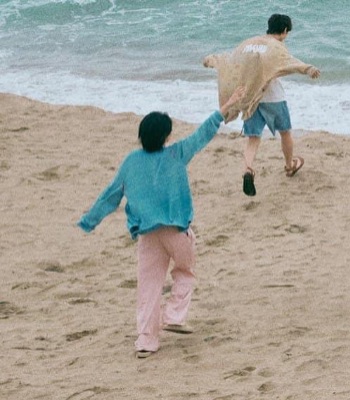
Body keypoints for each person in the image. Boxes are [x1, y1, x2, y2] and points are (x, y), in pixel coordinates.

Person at [77, 88, 247, 359]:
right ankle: (174, 316)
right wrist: (228, 105)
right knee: (185, 272)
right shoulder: (176, 153)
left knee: (148, 286)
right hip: (177, 231)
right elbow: (203, 133)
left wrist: (89, 221)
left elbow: (110, 195)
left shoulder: (131, 161)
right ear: (166, 137)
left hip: (148, 234)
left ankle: (146, 341)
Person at [204, 14, 321, 197]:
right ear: (284, 31)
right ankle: (290, 166)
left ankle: (248, 170)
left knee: (253, 138)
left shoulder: (249, 43)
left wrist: (213, 60)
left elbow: (232, 60)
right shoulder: (276, 46)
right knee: (285, 133)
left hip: (251, 98)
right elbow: (290, 63)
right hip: (273, 98)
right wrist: (308, 69)